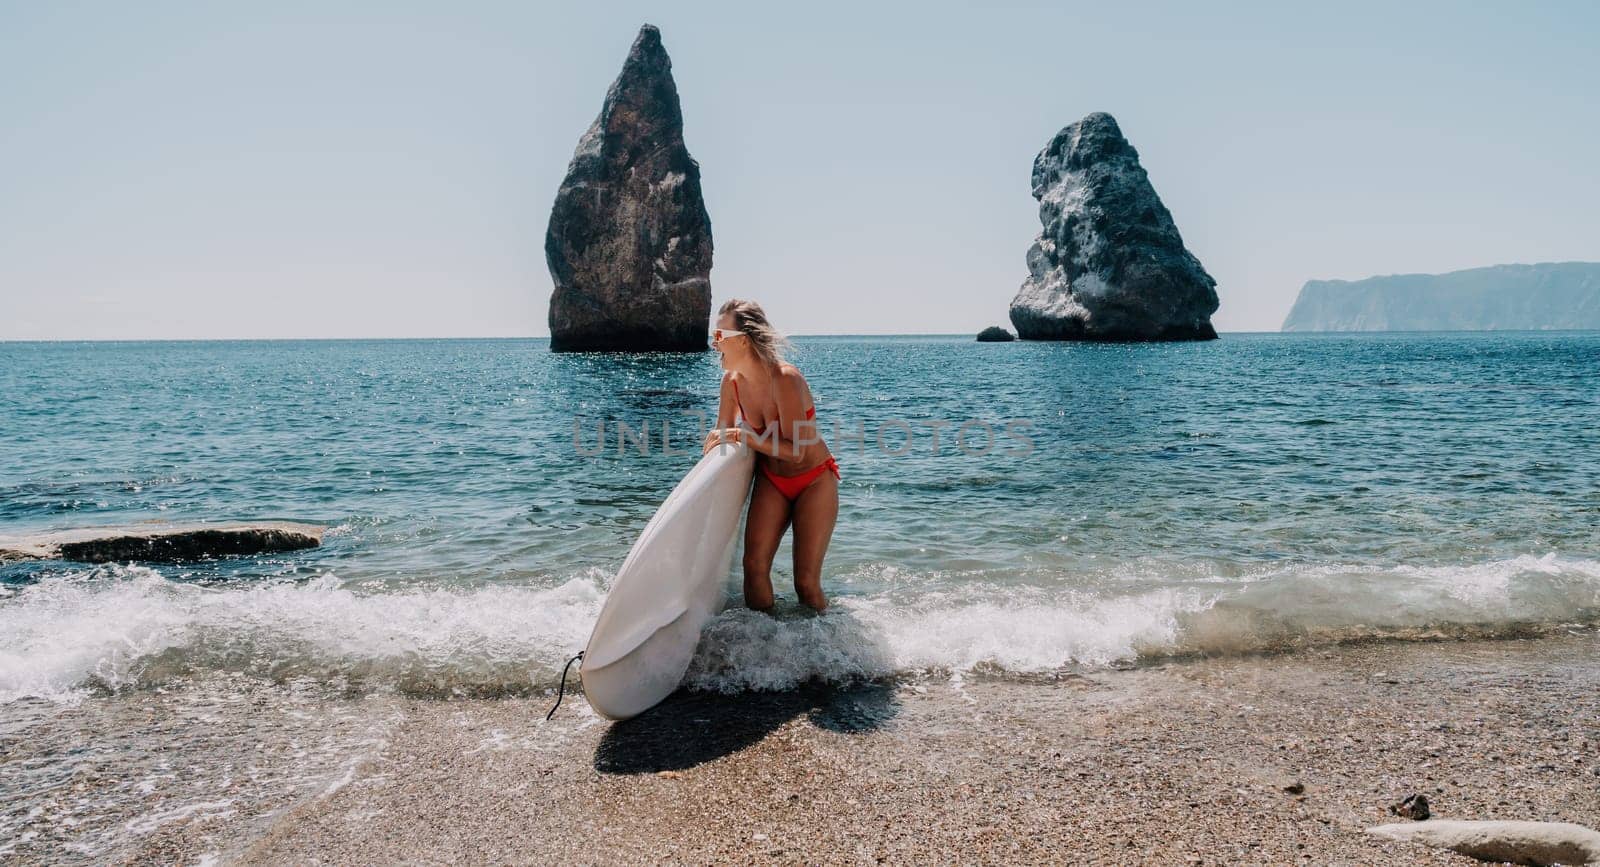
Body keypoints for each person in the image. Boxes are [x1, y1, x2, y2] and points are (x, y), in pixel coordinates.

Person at [702, 299, 839, 612]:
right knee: (754, 567)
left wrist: (750, 438)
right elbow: (720, 436)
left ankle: (826, 650)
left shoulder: (786, 380)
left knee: (805, 582)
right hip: (772, 480)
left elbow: (797, 451)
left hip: (813, 480)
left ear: (745, 341)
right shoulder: (731, 384)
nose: (714, 343)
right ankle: (765, 646)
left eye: (720, 336)